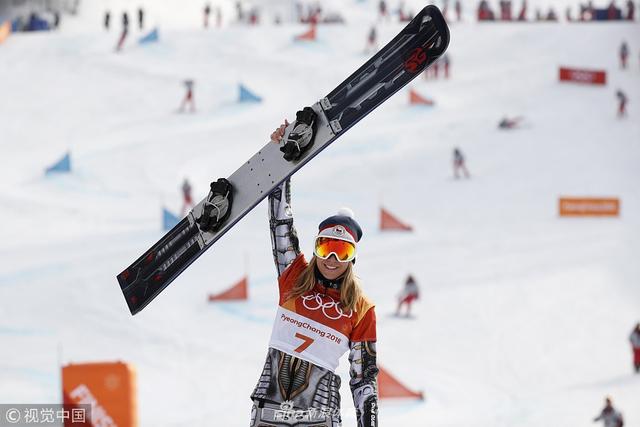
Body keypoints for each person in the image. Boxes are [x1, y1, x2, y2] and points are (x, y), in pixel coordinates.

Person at [249, 120, 379, 426]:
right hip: (270, 407)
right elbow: (281, 225)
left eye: (342, 251)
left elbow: (364, 380)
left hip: (319, 414)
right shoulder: (294, 278)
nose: (332, 259)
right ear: (316, 248)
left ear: (352, 259)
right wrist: (281, 156)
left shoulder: (361, 310)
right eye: (326, 248)